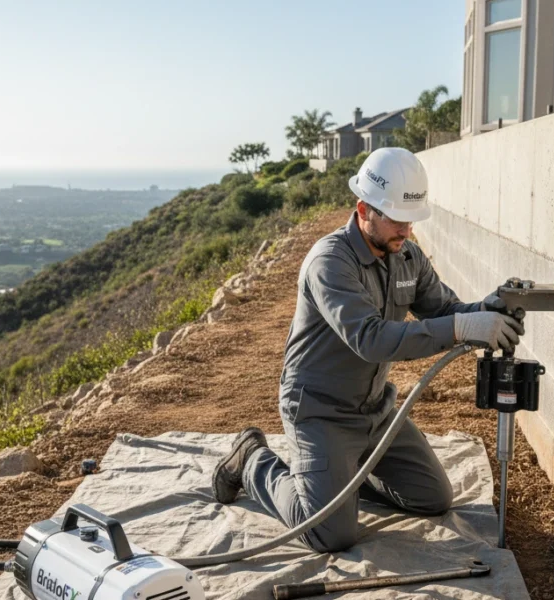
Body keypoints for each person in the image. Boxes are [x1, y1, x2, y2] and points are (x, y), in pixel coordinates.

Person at [212, 147, 524, 553]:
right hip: (320, 411)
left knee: (432, 499)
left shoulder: (406, 255)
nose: (407, 231)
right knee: (330, 533)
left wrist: (485, 309)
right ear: (364, 209)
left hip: (375, 410)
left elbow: (444, 308)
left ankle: (341, 477)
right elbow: (370, 340)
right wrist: (463, 327)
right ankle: (252, 459)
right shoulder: (330, 262)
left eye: (411, 221)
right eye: (397, 220)